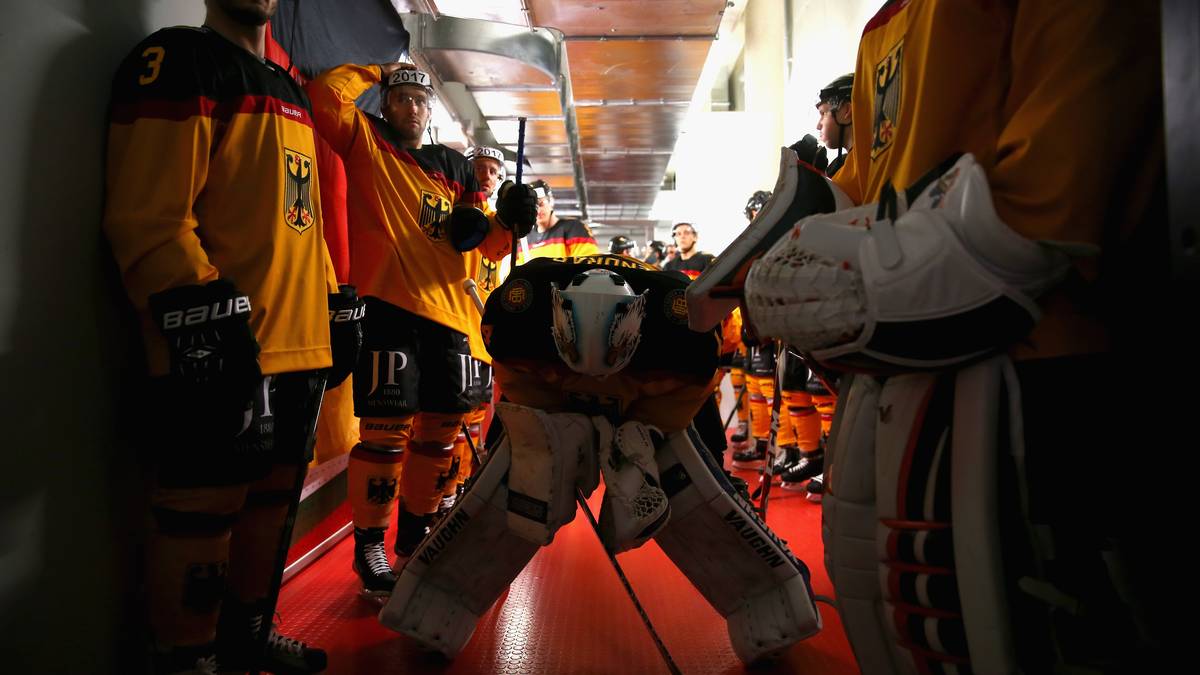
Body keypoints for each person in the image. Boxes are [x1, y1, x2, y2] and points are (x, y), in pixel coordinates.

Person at [745, 1, 1167, 671]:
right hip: (901, 366)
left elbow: (1053, 201)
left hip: (1042, 359)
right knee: (885, 601)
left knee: (1010, 620)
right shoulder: (883, 26)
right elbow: (862, 192)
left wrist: (853, 281)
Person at [102, 1, 357, 672]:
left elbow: (302, 222)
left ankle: (247, 637)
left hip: (297, 346)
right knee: (200, 514)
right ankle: (189, 658)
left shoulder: (289, 87)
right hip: (222, 347)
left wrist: (332, 305)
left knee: (271, 508)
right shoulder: (179, 62)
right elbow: (148, 219)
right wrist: (206, 316)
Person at [307, 62, 536, 599]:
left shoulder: (453, 165)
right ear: (386, 104)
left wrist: (510, 223)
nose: (411, 107)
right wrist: (378, 70)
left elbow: (484, 247)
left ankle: (416, 534)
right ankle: (370, 545)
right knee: (385, 435)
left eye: (419, 100)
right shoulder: (367, 140)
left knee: (439, 435)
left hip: (451, 319)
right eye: (401, 97)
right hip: (389, 307)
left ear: (431, 110)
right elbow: (323, 97)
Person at [518, 179, 600, 260]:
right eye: (532, 207)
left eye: (541, 204)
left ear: (551, 201)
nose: (538, 210)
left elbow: (589, 262)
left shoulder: (575, 229)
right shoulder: (523, 241)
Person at [814, 73, 853, 177]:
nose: (818, 126)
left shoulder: (860, 169)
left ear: (846, 110)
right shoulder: (841, 165)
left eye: (823, 113)